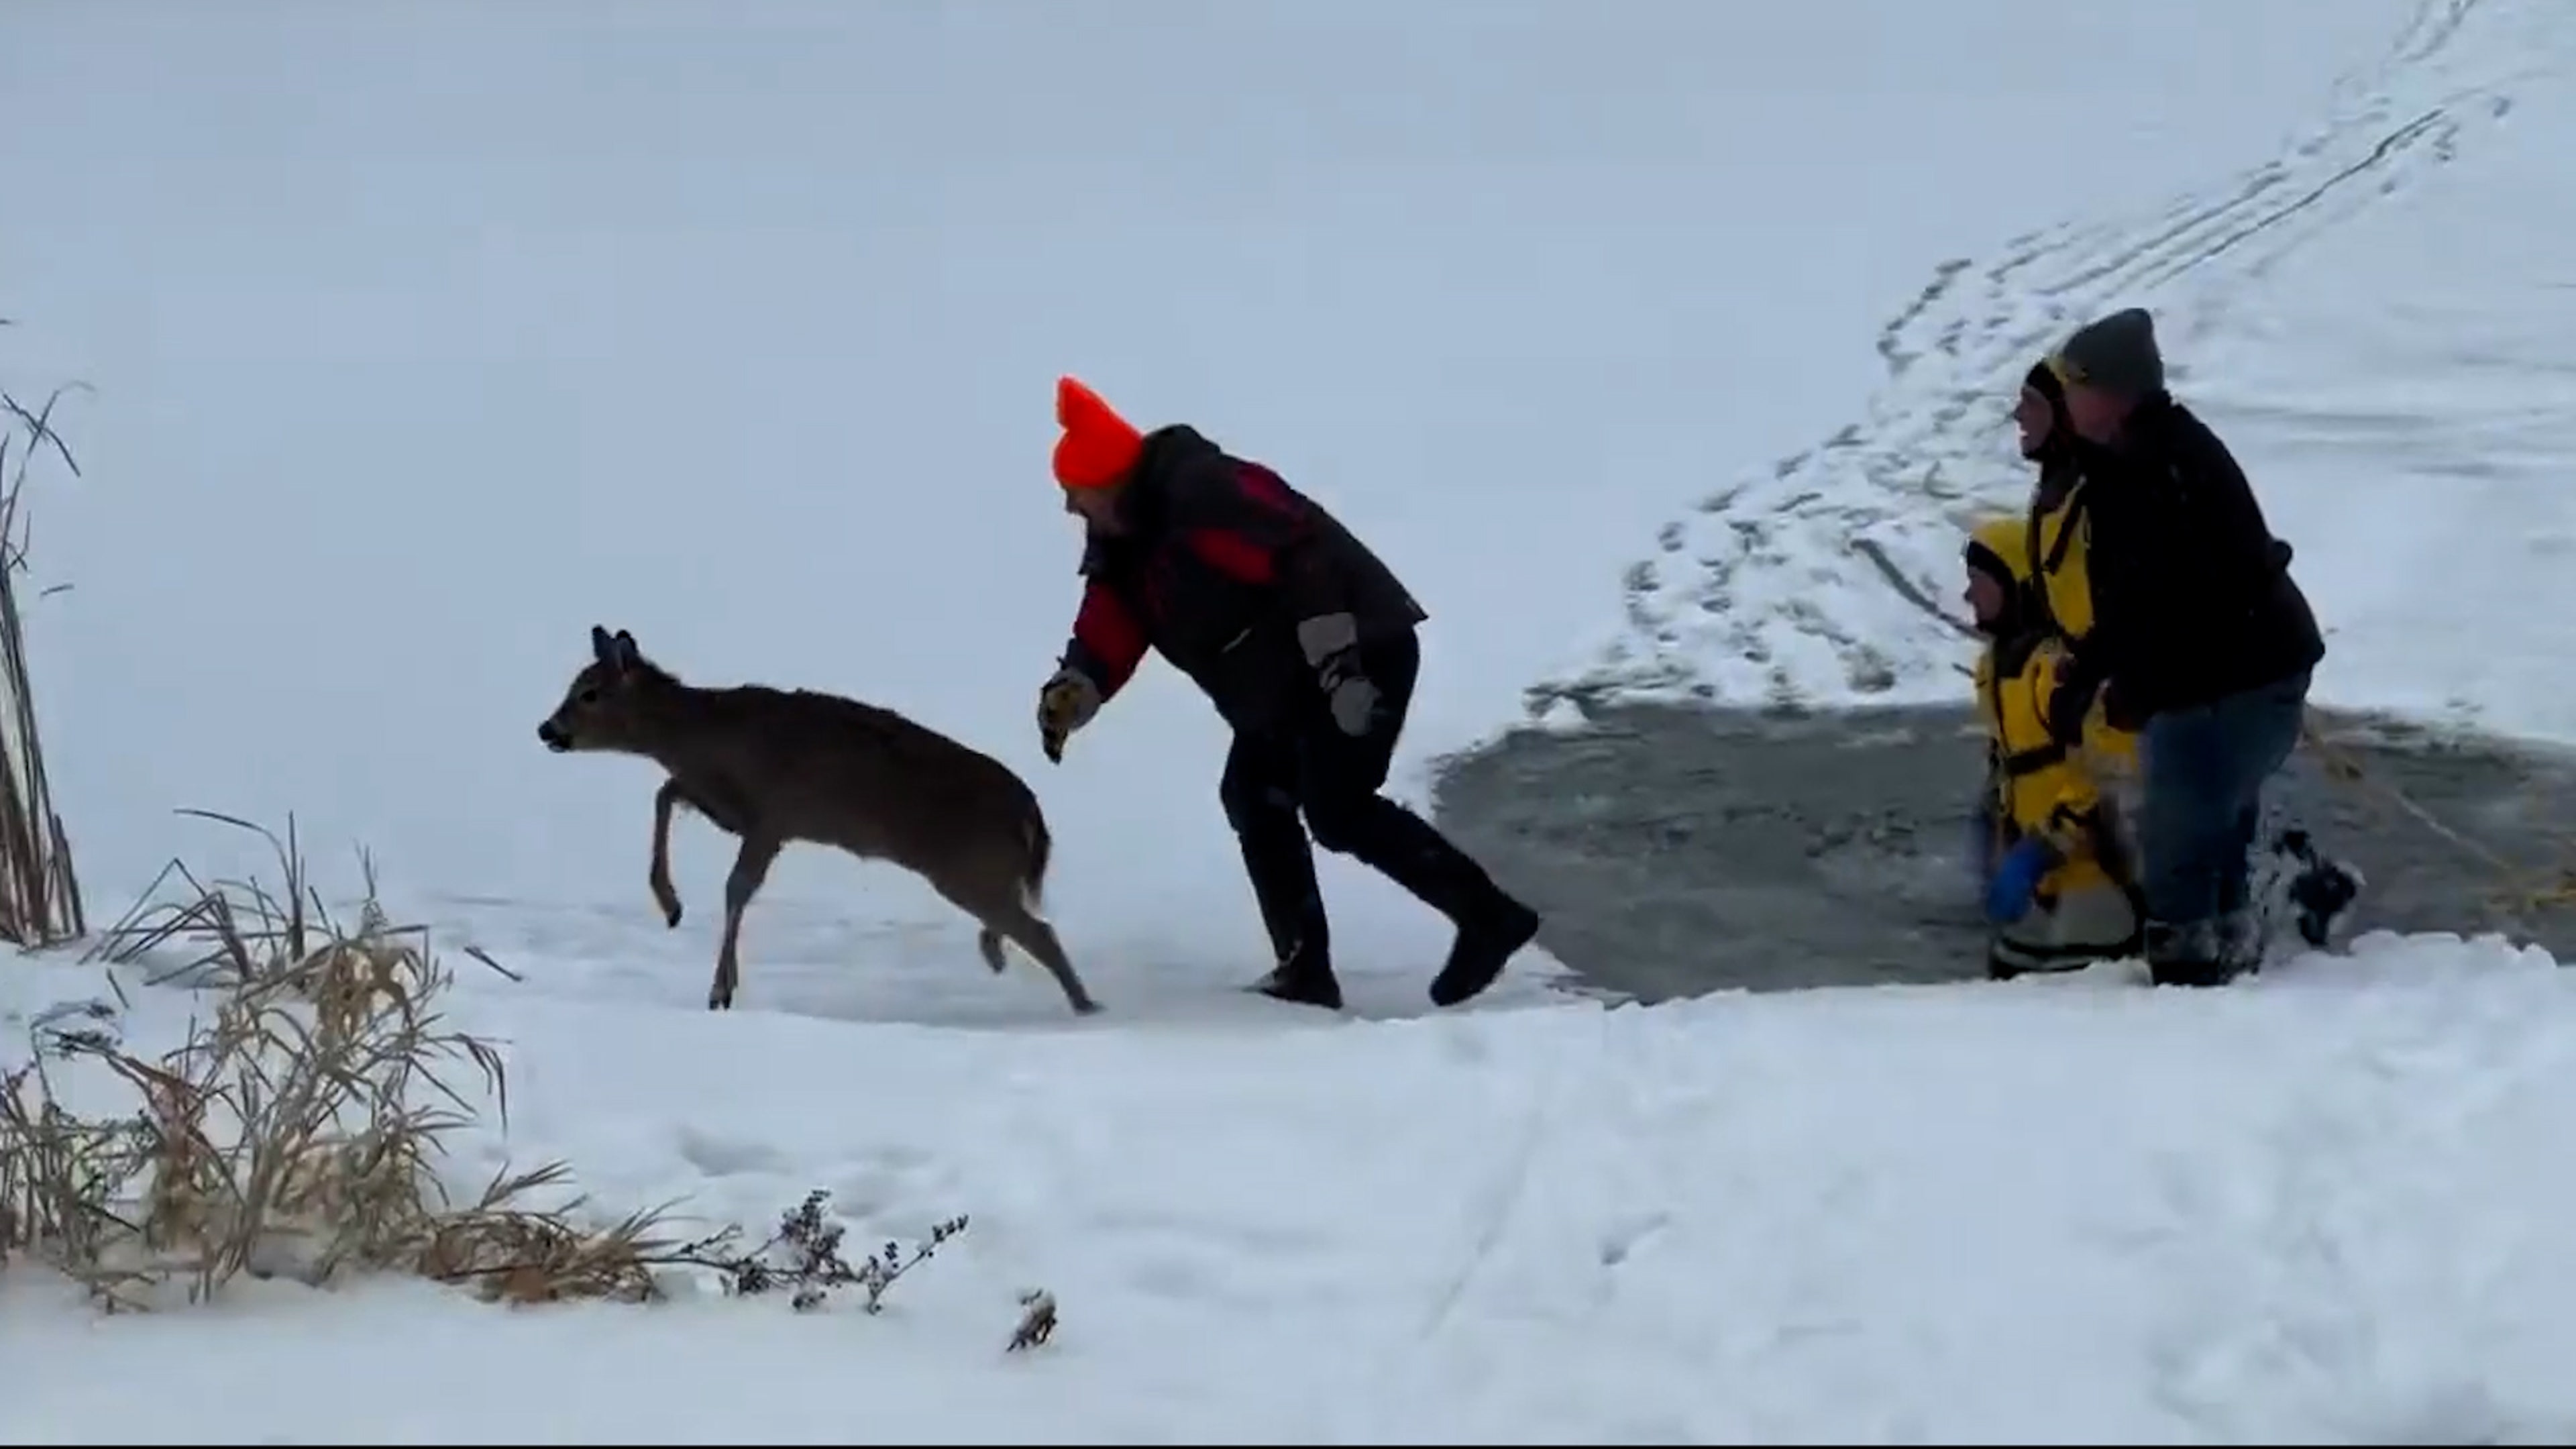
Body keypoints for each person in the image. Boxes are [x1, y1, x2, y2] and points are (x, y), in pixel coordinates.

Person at [1032, 374, 1543, 1011]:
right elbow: (1112, 620)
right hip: (1285, 685)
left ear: (1108, 479)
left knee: (1338, 809)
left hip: (1360, 650)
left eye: (1074, 492)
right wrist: (1077, 686)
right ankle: (1304, 969)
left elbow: (1305, 560)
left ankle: (1490, 918)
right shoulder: (1124, 542)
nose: (1070, 507)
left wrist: (1340, 670)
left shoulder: (1201, 493)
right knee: (1253, 794)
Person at [2036, 307, 2330, 986]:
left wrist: (2138, 688)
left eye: (2075, 386)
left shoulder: (2161, 466)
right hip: (2235, 674)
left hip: (2240, 680)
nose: (2066, 399)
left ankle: (2187, 989)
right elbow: (2135, 599)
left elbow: (2191, 598)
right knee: (2211, 830)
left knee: (2180, 842)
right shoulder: (2128, 458)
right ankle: (2228, 965)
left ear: (2112, 394)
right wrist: (2091, 675)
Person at [1963, 515, 2147, 979]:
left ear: (2017, 585)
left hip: (2092, 880)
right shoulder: (1992, 671)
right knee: (2011, 970)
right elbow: (2006, 767)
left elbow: (2112, 770)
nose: (1969, 596)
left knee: (2068, 990)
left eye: (1979, 582)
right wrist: (1992, 827)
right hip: (2038, 887)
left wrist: (2045, 845)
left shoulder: (2057, 672)